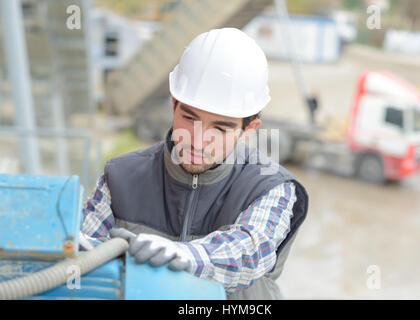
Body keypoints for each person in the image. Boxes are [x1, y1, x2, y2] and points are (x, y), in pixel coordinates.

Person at [81, 28, 308, 300]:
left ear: (249, 128)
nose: (198, 142)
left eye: (220, 129)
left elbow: (250, 252)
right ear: (174, 104)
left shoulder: (269, 186)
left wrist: (187, 255)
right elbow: (82, 258)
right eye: (189, 118)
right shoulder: (120, 177)